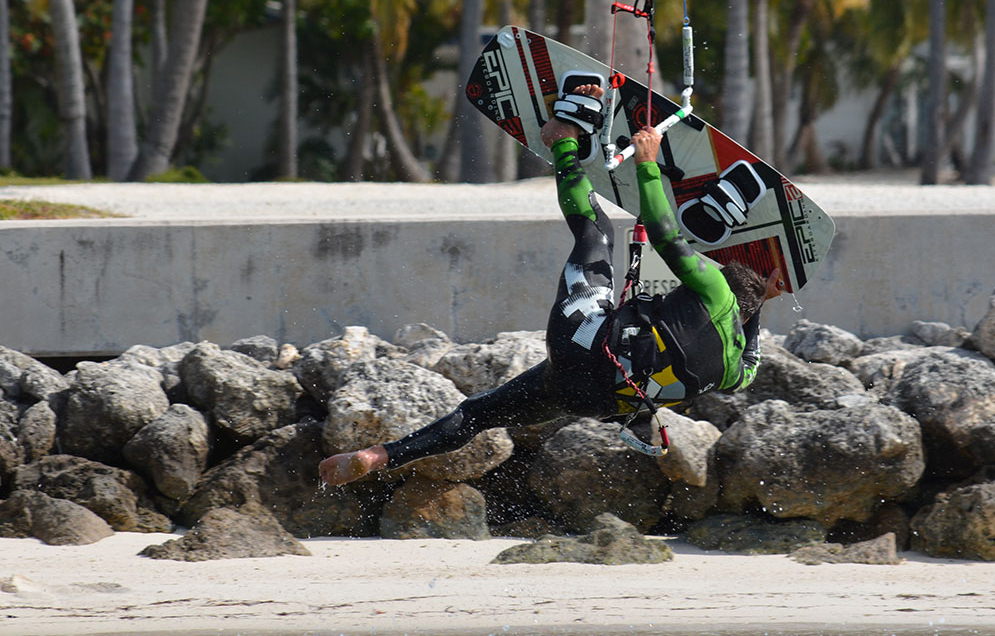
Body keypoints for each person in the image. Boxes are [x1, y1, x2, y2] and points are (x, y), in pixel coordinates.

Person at [318, 84, 783, 486]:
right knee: (478, 416)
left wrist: (647, 163)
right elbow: (751, 354)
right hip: (590, 400)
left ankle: (562, 140)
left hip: (581, 337)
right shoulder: (735, 373)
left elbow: (664, 233)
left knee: (595, 232)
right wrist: (762, 300)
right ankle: (379, 456)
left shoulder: (715, 289)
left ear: (725, 284)